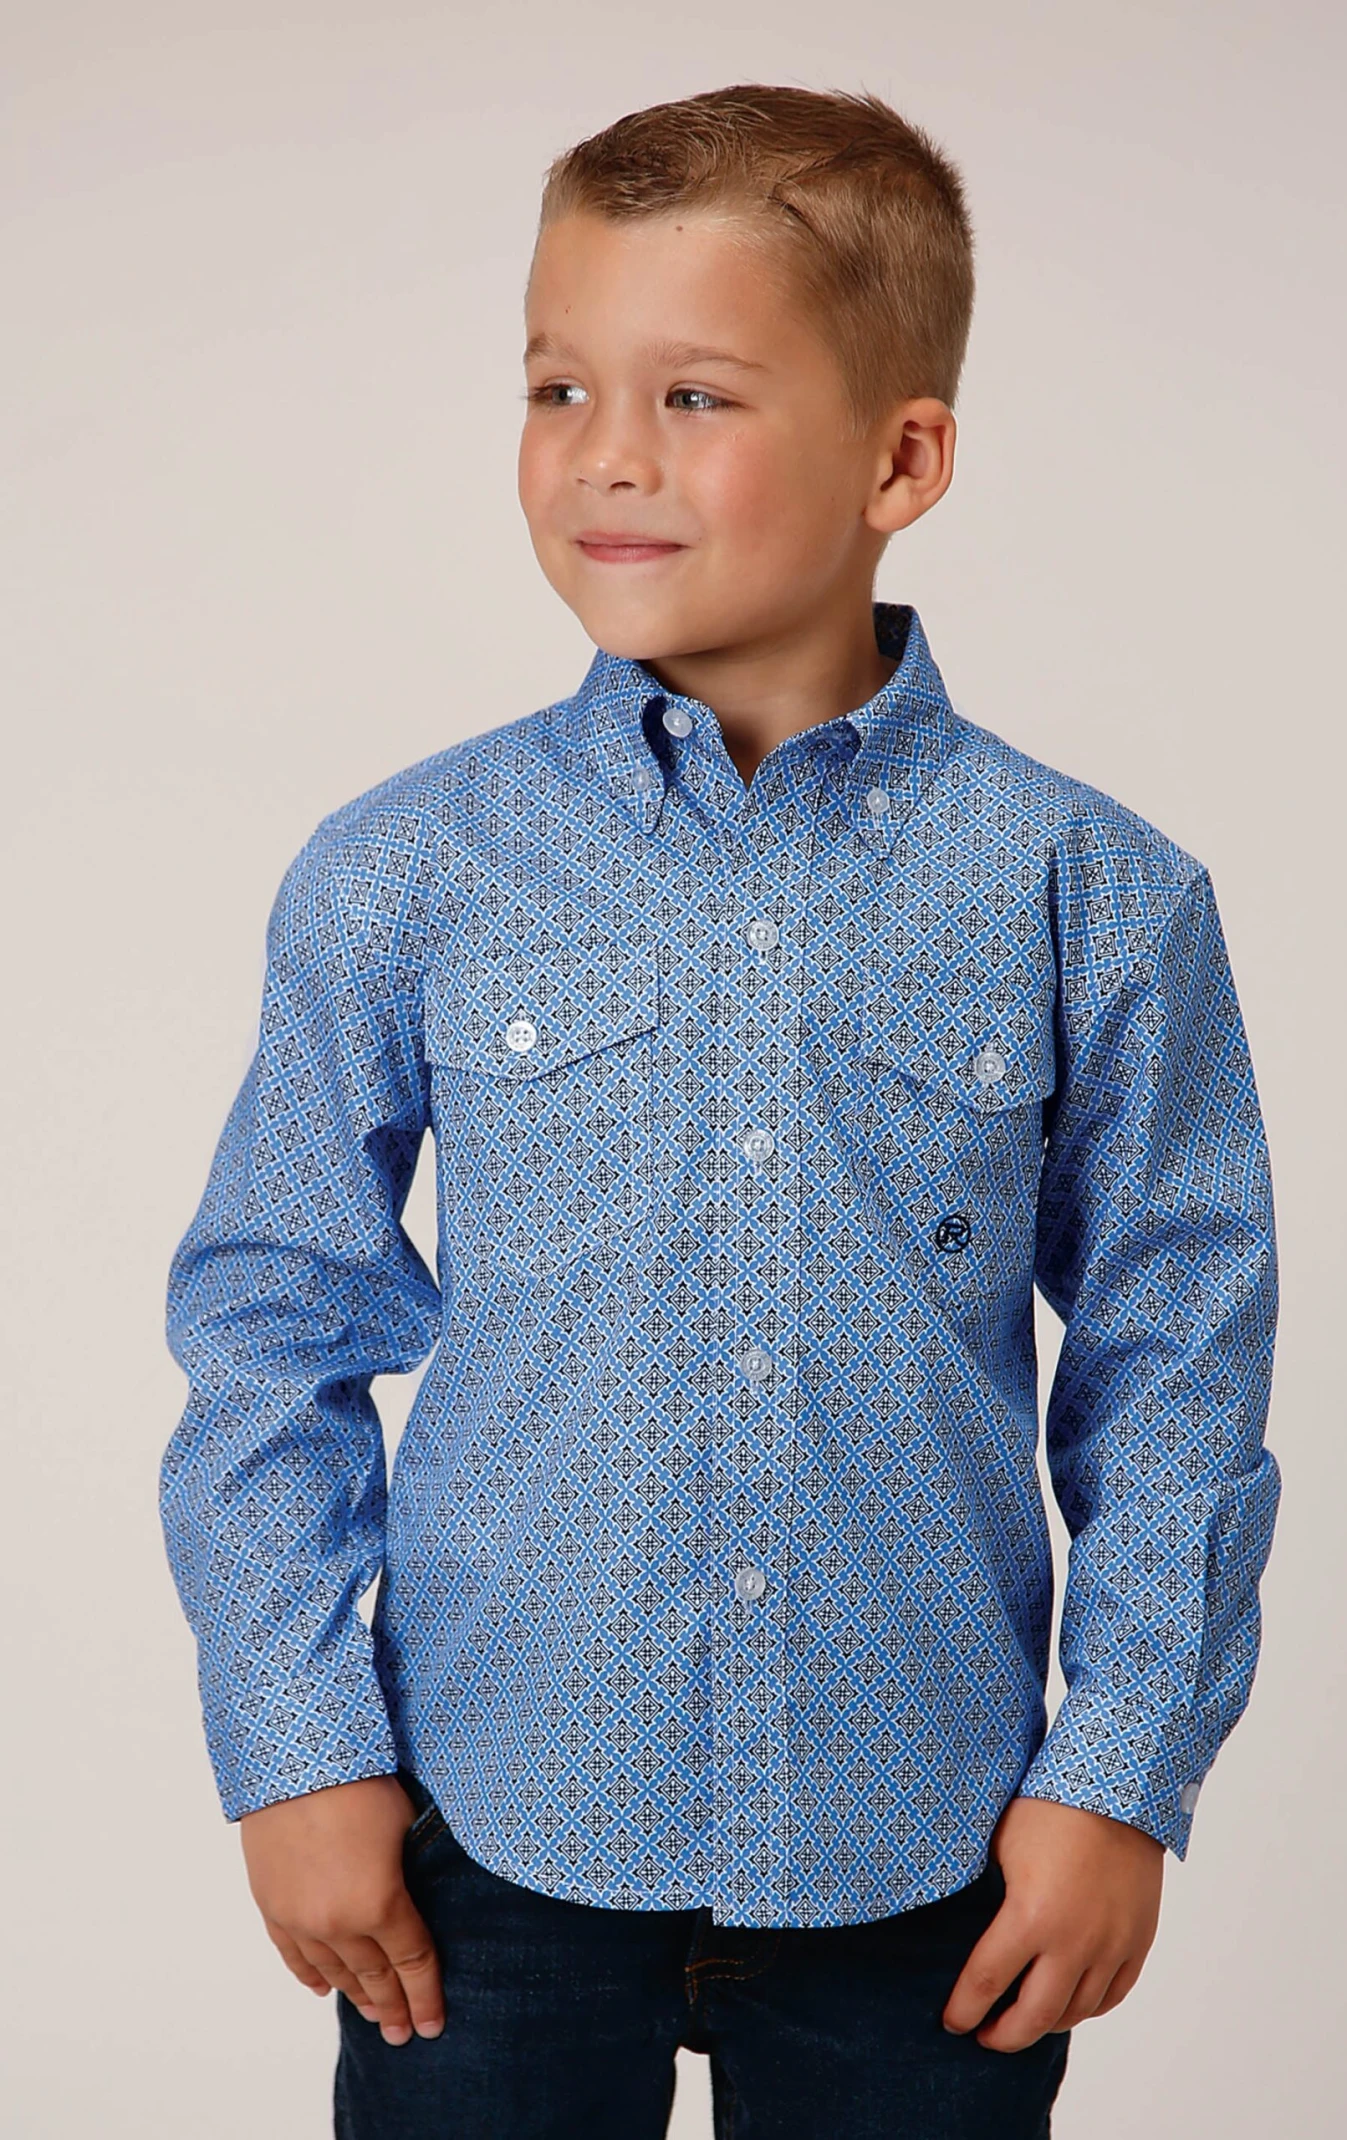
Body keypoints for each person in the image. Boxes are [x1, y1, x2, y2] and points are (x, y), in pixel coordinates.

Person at [160, 81, 1281, 2140]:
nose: (606, 452)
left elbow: (1179, 1356)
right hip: (484, 1835)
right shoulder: (403, 870)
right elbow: (267, 1322)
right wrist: (296, 1742)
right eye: (557, 385)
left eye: (693, 395)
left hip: (927, 1848)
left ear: (902, 458)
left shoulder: (1097, 893)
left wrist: (1121, 1773)